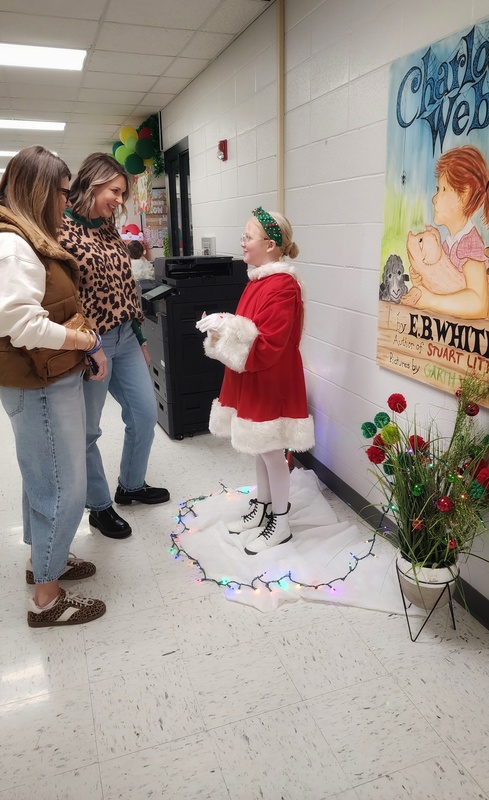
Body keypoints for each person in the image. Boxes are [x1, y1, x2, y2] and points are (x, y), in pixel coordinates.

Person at [0, 145, 108, 626]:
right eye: (63, 193)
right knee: (63, 486)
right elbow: (21, 324)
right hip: (39, 385)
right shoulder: (14, 244)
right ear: (42, 191)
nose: (67, 202)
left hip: (46, 379)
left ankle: (47, 561)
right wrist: (82, 339)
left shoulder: (29, 236)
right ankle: (47, 599)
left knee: (44, 481)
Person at [59, 153, 170, 540]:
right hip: (91, 343)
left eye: (122, 193)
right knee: (88, 432)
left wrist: (139, 338)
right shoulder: (60, 231)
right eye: (114, 191)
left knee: (143, 414)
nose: (119, 200)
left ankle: (131, 486)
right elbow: (64, 300)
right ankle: (99, 506)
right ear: (92, 183)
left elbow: (124, 289)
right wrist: (90, 346)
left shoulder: (107, 227)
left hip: (124, 336)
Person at [196, 206, 315, 554]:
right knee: (260, 450)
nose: (242, 243)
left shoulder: (283, 286)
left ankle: (281, 520)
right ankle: (264, 508)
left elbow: (269, 344)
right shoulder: (260, 279)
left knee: (271, 452)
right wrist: (224, 326)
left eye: (248, 237)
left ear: (271, 245)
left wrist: (227, 327)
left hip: (271, 379)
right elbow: (250, 332)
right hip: (254, 377)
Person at [401, 145, 489, 319]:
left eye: (442, 190)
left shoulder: (469, 245)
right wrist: (423, 279)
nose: (434, 199)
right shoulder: (448, 245)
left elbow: (479, 304)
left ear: (463, 196)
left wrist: (430, 300)